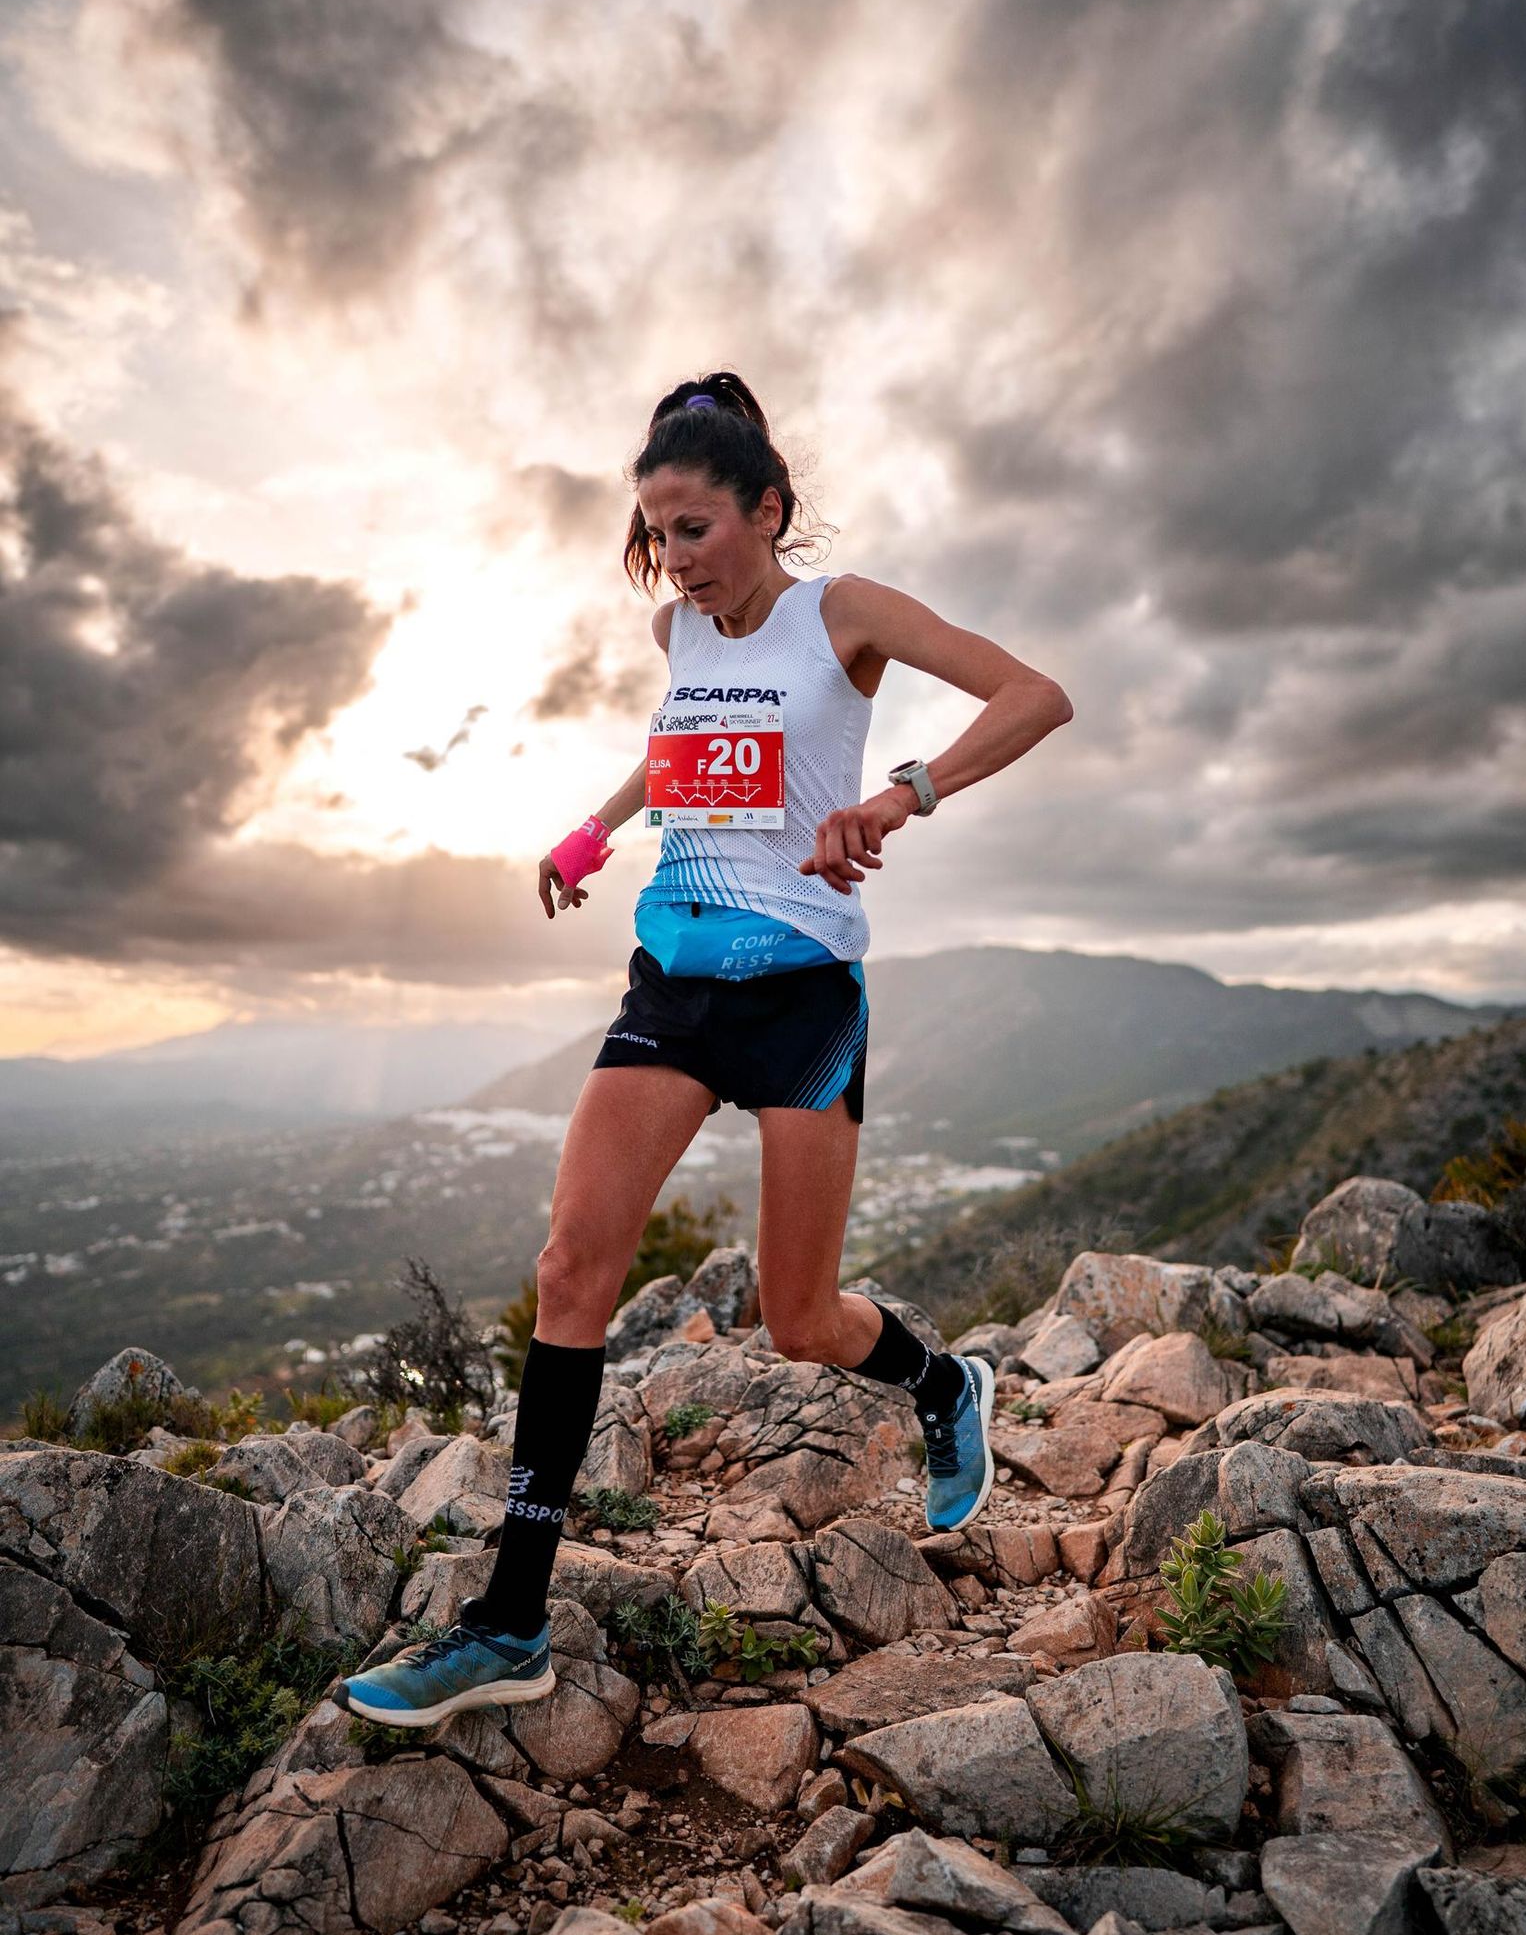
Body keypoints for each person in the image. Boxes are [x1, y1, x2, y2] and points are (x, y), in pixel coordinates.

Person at [339, 371, 1071, 1727]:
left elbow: (1036, 695)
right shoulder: (684, 640)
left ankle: (942, 1381)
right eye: (655, 534)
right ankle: (510, 1623)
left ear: (768, 510)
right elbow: (682, 750)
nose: (671, 561)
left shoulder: (841, 614)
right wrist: (596, 825)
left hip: (802, 998)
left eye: (693, 529)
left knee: (802, 1319)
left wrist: (897, 798)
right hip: (673, 981)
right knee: (571, 1268)